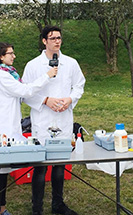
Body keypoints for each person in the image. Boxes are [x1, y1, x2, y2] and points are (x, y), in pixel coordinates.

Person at [22, 25, 85, 215]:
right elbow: (25, 93)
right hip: (43, 118)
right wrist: (45, 100)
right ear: (44, 41)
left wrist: (69, 99)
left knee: (59, 164)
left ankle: (58, 204)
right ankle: (37, 208)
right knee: (40, 166)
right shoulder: (33, 65)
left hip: (63, 117)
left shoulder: (71, 63)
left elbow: (79, 86)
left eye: (59, 38)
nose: (57, 41)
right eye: (52, 38)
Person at [0, 42, 57, 215]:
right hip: (4, 127)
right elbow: (25, 90)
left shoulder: (9, 74)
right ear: (1, 56)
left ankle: (1, 208)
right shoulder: (3, 76)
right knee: (1, 170)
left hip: (9, 125)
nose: (14, 56)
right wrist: (47, 76)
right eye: (10, 53)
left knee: (2, 172)